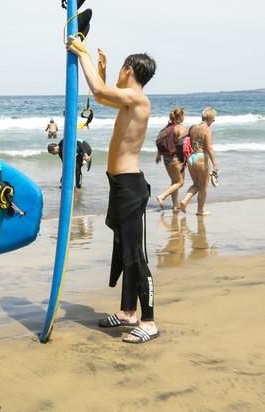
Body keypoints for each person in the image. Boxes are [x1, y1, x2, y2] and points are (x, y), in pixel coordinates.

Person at [67, 36, 159, 344]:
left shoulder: (139, 99)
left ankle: (148, 322)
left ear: (130, 69)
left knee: (135, 254)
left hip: (130, 187)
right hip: (120, 185)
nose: (118, 72)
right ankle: (127, 312)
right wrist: (102, 70)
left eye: (120, 67)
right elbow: (105, 98)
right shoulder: (130, 99)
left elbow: (99, 91)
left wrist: (83, 55)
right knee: (123, 250)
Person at [180, 107, 218, 216]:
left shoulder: (192, 127)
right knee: (203, 187)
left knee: (196, 185)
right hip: (201, 157)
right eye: (213, 119)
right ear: (209, 119)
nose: (213, 122)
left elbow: (180, 137)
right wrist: (215, 164)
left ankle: (184, 201)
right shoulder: (206, 129)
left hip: (191, 158)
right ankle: (200, 211)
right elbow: (209, 148)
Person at [155, 107, 187, 212]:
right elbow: (183, 144)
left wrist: (158, 154)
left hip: (166, 159)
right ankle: (162, 196)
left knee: (174, 181)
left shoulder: (166, 127)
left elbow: (164, 141)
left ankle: (175, 205)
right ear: (181, 116)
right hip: (175, 158)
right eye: (184, 115)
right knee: (180, 182)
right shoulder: (180, 128)